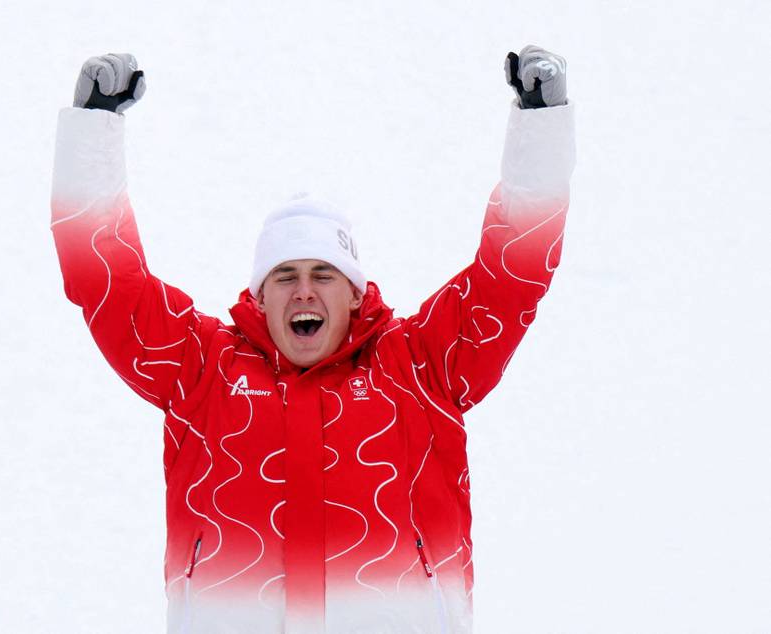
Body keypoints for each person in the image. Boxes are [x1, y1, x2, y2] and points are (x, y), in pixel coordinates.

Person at [51, 46, 574, 634]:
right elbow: (104, 282)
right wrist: (95, 126)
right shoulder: (202, 373)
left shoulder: (422, 367)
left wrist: (539, 126)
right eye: (285, 276)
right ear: (260, 296)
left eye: (323, 274)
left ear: (354, 293)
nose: (304, 292)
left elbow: (511, 277)